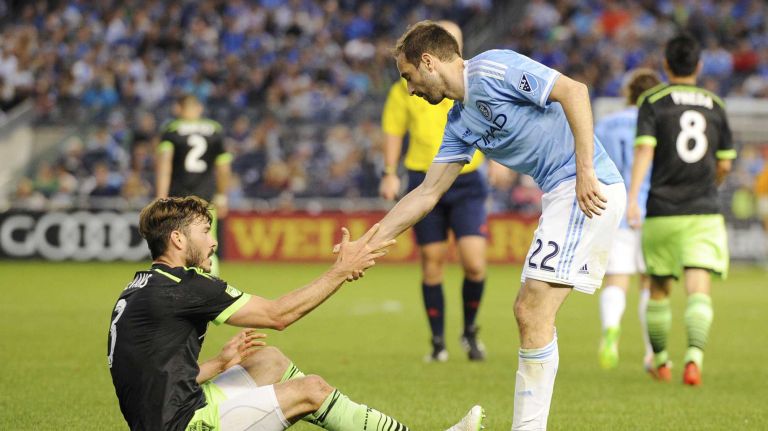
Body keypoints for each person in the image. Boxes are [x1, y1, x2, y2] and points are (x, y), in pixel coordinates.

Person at [349, 21, 625, 430]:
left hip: (584, 188)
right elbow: (426, 194)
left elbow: (574, 91)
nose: (409, 89)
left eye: (408, 77)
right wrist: (368, 243)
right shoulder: (460, 122)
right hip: (563, 192)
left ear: (428, 63)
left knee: (532, 310)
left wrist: (585, 170)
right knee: (531, 312)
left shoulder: (493, 69)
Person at [107, 196, 484, 431]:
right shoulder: (185, 286)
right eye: (206, 231)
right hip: (182, 425)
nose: (214, 240)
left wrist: (219, 364)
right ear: (177, 239)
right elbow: (278, 315)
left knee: (268, 360)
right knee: (311, 389)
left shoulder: (139, 288)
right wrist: (340, 271)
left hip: (164, 415)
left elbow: (154, 379)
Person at [380, 20, 498, 362]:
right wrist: (390, 172)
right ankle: (437, 342)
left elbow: (492, 119)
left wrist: (499, 159)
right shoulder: (407, 87)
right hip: (423, 176)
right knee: (432, 262)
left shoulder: (473, 82)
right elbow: (392, 131)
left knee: (475, 263)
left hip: (467, 177)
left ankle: (470, 331)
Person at [627, 33, 735, 386]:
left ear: (666, 65)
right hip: (703, 210)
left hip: (662, 209)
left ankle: (660, 361)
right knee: (698, 286)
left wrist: (633, 200)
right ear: (699, 66)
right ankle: (694, 357)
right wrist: (710, 183)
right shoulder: (715, 104)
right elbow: (725, 166)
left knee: (658, 290)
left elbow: (644, 151)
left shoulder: (653, 100)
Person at [594, 68, 662, 370]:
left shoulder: (607, 124)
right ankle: (652, 352)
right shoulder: (660, 125)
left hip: (616, 209)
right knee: (651, 284)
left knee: (616, 280)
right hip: (653, 210)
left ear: (628, 93)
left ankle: (611, 329)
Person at [156, 94, 231, 276]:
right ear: (199, 109)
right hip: (205, 198)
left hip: (178, 198)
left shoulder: (172, 130)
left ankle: (175, 286)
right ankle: (212, 289)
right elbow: (223, 168)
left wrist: (161, 197)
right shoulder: (214, 130)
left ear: (178, 108)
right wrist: (222, 195)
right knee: (206, 242)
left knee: (176, 243)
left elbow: (165, 165)